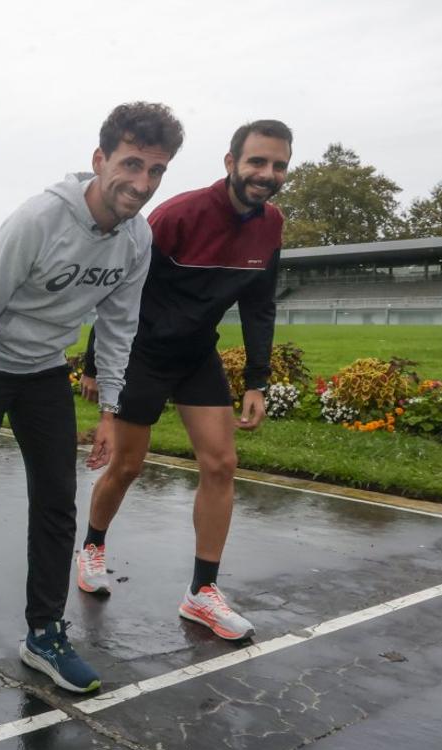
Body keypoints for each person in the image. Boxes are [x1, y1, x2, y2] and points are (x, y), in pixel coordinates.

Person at [0, 103, 185, 693]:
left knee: (58, 505)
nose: (142, 184)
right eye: (132, 164)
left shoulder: (137, 239)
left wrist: (110, 410)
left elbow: (118, 327)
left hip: (42, 373)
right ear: (100, 160)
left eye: (157, 171)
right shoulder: (37, 220)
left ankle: (44, 633)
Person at [77, 120, 293, 641]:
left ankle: (202, 592)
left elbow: (259, 306)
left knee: (221, 464)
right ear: (230, 163)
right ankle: (92, 547)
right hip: (142, 353)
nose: (267, 174)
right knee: (128, 465)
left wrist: (256, 381)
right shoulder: (177, 215)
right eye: (257, 162)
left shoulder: (271, 225)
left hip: (196, 354)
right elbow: (121, 291)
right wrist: (93, 363)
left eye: (278, 165)